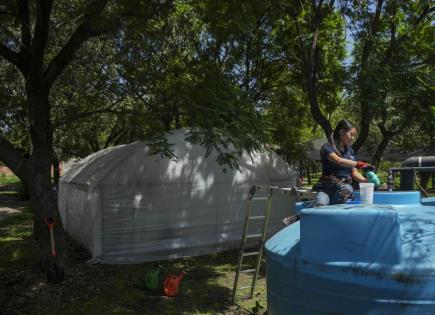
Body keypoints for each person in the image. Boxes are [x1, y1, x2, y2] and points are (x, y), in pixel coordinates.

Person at [312, 119, 372, 206]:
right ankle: (300, 214)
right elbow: (338, 161)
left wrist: (367, 181)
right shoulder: (327, 147)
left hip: (343, 186)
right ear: (342, 132)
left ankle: (341, 199)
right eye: (351, 134)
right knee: (321, 205)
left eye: (354, 135)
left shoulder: (350, 151)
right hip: (326, 187)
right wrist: (359, 164)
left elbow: (354, 172)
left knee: (346, 190)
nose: (353, 138)